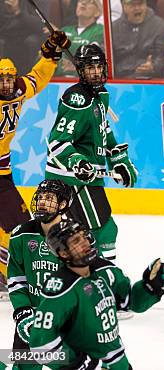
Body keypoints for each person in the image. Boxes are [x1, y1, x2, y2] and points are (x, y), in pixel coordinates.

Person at [28, 218, 164, 369]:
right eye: (76, 241)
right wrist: (81, 365)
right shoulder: (60, 289)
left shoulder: (105, 269)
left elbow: (131, 302)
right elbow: (42, 345)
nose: (85, 242)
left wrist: (151, 287)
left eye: (84, 236)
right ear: (64, 253)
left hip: (119, 363)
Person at [44, 44, 138, 262]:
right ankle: (101, 273)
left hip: (88, 177)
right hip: (71, 178)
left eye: (98, 67)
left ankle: (89, 272)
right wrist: (77, 162)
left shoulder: (100, 95)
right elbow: (57, 142)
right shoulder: (77, 99)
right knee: (103, 230)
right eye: (89, 68)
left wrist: (118, 161)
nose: (96, 72)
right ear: (80, 71)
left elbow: (102, 131)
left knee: (85, 231)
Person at [0, 30, 71, 295]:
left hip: (3, 171)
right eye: (1, 80)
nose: (7, 84)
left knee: (12, 225)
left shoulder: (18, 91)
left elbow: (38, 77)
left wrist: (51, 52)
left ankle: (4, 272)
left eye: (9, 78)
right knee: (18, 225)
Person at [7, 180, 73, 370]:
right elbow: (16, 278)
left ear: (62, 205)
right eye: (41, 197)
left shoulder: (75, 238)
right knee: (23, 366)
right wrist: (22, 311)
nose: (42, 202)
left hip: (65, 320)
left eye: (49, 198)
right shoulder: (21, 234)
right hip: (32, 319)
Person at [111, 0, 164, 78]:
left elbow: (163, 56)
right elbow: (105, 55)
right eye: (132, 5)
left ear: (146, 4)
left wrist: (154, 67)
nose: (137, 8)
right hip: (119, 80)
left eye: (140, 4)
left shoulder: (161, 26)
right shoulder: (113, 28)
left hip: (150, 79)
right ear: (123, 6)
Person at [57, 0, 105, 77]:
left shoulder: (101, 30)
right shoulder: (65, 30)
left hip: (85, 81)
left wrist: (76, 65)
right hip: (59, 80)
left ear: (98, 12)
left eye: (90, 1)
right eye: (80, 1)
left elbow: (94, 57)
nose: (83, 3)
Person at [0, 0, 44, 73]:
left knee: (31, 41)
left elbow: (40, 24)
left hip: (28, 35)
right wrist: (8, 12)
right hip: (5, 35)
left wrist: (18, 12)